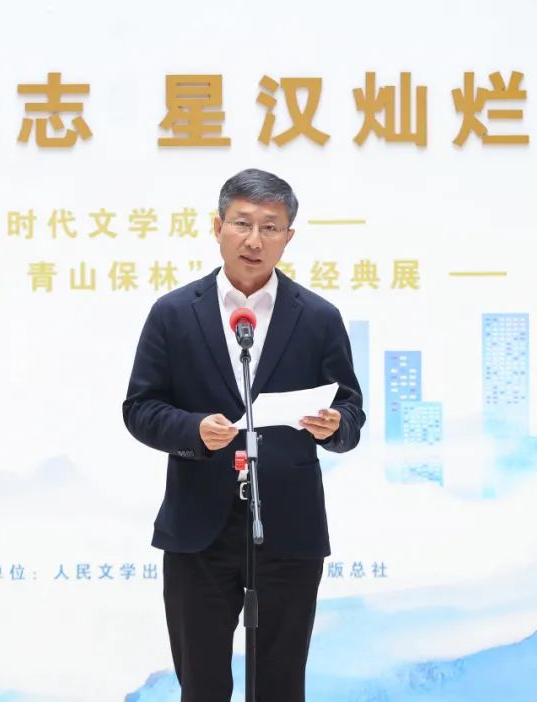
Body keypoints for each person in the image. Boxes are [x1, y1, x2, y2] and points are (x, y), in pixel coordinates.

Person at [122, 168, 365, 701]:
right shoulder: (173, 314)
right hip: (198, 532)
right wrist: (192, 429)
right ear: (218, 227)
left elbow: (351, 411)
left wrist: (335, 426)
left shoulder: (318, 318)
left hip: (288, 529)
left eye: (270, 227)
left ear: (288, 237)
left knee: (280, 685)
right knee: (202, 686)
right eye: (242, 223)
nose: (255, 240)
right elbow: (140, 408)